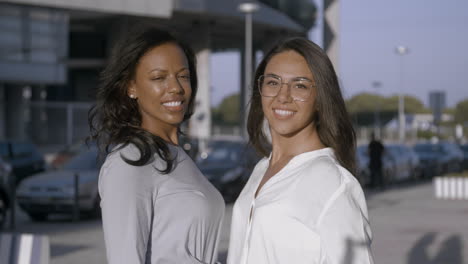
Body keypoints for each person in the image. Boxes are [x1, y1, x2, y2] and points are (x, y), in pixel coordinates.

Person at [227, 37, 374, 264]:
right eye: (273, 82)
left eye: (300, 85)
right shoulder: (261, 169)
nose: (283, 96)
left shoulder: (333, 184)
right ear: (260, 90)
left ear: (320, 99)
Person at [88, 26, 224, 264]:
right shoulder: (130, 161)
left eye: (183, 76)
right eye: (159, 78)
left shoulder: (177, 155)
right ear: (131, 87)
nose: (176, 88)